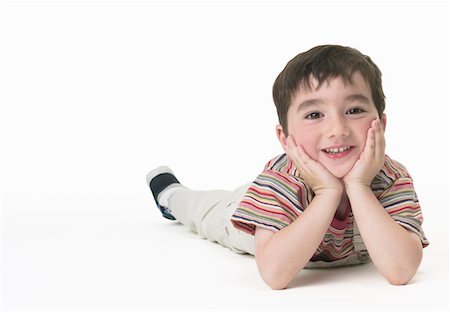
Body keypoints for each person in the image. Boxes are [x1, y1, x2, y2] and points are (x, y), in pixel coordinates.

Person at [146, 45, 429, 290]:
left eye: (354, 110)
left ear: (381, 124)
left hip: (298, 207)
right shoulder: (280, 179)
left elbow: (400, 270)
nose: (337, 129)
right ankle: (171, 197)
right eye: (314, 114)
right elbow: (275, 275)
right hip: (260, 218)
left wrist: (359, 186)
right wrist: (328, 192)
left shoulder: (392, 178)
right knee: (209, 212)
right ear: (285, 138)